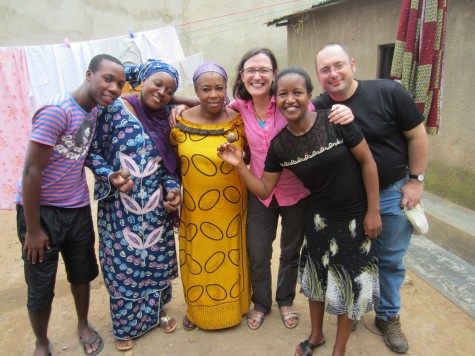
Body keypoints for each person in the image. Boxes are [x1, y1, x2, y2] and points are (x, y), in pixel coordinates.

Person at [170, 48, 354, 330]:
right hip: (259, 192)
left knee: (290, 252)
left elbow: (319, 113)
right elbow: (210, 101)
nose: (257, 76)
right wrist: (180, 105)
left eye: (264, 70)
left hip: (296, 194)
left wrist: (342, 109)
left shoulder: (289, 101)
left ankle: (285, 300)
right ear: (242, 76)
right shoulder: (237, 109)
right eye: (250, 70)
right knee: (258, 252)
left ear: (274, 74)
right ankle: (261, 303)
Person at [218, 66, 382, 356]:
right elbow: (264, 189)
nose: (290, 99)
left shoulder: (335, 121)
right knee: (316, 279)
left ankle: (339, 349)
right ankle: (316, 335)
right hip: (318, 219)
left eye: (297, 93)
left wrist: (373, 211)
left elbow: (368, 163)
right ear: (275, 99)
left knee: (349, 284)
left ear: (309, 96)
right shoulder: (280, 146)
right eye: (283, 94)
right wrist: (239, 166)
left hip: (356, 219)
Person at [312, 43, 429, 354]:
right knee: (352, 259)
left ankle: (388, 317)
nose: (333, 73)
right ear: (318, 76)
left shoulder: (388, 92)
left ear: (353, 63)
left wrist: (416, 181)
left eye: (338, 65)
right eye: (325, 69)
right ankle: (355, 309)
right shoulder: (318, 107)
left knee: (389, 258)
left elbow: (417, 135)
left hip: (392, 192)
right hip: (347, 202)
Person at [16, 54, 126, 356]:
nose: (114, 88)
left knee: (81, 272)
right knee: (40, 283)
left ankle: (82, 324)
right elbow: (31, 172)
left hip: (76, 208)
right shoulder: (56, 111)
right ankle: (42, 342)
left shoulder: (93, 110)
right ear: (90, 75)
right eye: (108, 79)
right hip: (42, 212)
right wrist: (34, 229)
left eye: (120, 83)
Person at [85, 60, 184, 351]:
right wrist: (109, 176)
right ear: (142, 80)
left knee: (157, 260)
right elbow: (91, 152)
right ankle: (125, 324)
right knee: (123, 264)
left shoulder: (168, 118)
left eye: (170, 90)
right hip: (120, 206)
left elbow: (167, 165)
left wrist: (173, 190)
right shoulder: (112, 110)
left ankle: (158, 312)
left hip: (155, 206)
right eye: (157, 84)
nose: (162, 92)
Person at [170, 62, 251, 330]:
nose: (213, 94)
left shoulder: (238, 120)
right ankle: (198, 311)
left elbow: (251, 155)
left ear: (226, 88)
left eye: (219, 88)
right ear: (196, 90)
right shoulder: (179, 122)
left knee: (231, 257)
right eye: (206, 89)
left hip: (231, 207)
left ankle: (234, 309)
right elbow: (171, 164)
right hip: (195, 209)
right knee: (198, 259)